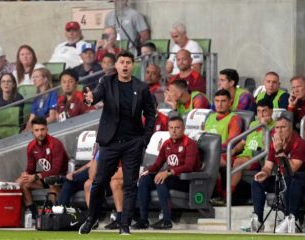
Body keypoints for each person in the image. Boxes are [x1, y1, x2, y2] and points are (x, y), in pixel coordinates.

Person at [79, 51, 156, 235]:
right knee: (98, 182)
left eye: (128, 62)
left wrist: (144, 139)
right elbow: (96, 95)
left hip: (133, 142)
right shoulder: (107, 82)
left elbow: (150, 115)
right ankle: (91, 218)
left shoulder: (142, 87)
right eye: (122, 62)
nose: (125, 65)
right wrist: (90, 99)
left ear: (132, 65)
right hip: (110, 142)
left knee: (130, 185)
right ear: (117, 65)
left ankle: (124, 225)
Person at [133, 116, 201, 230]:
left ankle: (166, 220)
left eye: (177, 128)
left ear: (183, 129)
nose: (174, 131)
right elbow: (157, 165)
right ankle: (143, 219)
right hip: (171, 177)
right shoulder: (166, 143)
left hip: (186, 180)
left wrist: (168, 172)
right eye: (171, 128)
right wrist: (146, 171)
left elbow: (189, 167)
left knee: (161, 180)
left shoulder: (190, 144)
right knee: (144, 180)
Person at [251, 116, 305, 232]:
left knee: (290, 179)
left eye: (283, 127)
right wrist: (265, 172)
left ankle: (291, 219)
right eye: (277, 127)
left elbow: (292, 169)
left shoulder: (300, 143)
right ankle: (258, 220)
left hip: (299, 181)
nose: (279, 131)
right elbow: (268, 166)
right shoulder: (274, 144)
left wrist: (279, 150)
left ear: (290, 129)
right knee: (257, 182)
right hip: (283, 179)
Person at [16, 116, 69, 220]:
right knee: (21, 182)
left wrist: (35, 176)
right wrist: (26, 174)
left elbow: (56, 170)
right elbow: (31, 168)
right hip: (44, 176)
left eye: (42, 129)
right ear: (32, 131)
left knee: (52, 182)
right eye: (37, 130)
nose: (40, 133)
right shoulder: (31, 146)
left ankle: (56, 216)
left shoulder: (55, 144)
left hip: (61, 178)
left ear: (47, 129)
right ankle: (35, 216)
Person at [230, 99, 275, 193]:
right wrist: (233, 151)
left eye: (264, 111)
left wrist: (264, 126)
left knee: (238, 162)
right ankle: (216, 194)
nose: (261, 115)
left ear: (271, 111)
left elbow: (268, 146)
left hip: (258, 158)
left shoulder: (275, 126)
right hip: (243, 155)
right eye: (258, 111)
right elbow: (242, 143)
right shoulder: (253, 124)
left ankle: (228, 195)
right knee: (220, 160)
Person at [205, 89, 242, 166]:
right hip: (208, 151)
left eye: (223, 101)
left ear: (230, 102)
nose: (219, 104)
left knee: (212, 160)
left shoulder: (234, 119)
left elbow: (232, 142)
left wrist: (213, 149)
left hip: (225, 154)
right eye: (217, 101)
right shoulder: (210, 117)